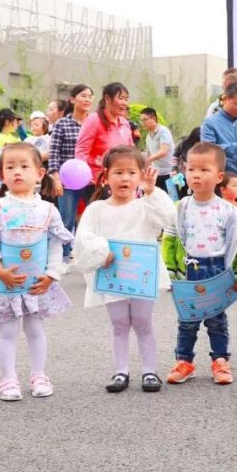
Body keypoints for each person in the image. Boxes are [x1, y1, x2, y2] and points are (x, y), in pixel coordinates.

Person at [0, 142, 73, 401]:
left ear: (39, 173)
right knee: (8, 331)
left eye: (24, 166)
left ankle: (39, 374)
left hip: (36, 283)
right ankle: (8, 378)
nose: (17, 172)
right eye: (10, 167)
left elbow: (56, 244)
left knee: (36, 330)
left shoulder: (48, 209)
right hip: (6, 283)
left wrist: (52, 275)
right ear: (1, 174)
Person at [74, 146, 175, 393]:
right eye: (118, 172)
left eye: (131, 172)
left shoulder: (145, 205)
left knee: (143, 321)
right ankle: (121, 371)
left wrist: (152, 192)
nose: (125, 178)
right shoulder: (96, 209)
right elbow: (84, 238)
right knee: (119, 323)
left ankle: (150, 371)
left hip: (142, 276)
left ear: (141, 175)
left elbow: (167, 218)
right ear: (106, 175)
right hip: (112, 276)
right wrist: (101, 252)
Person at [163, 142, 237, 386]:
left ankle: (220, 361)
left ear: (219, 176)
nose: (196, 174)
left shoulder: (227, 210)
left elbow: (236, 245)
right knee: (187, 321)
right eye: (191, 169)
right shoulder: (179, 208)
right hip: (188, 270)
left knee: (216, 321)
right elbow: (169, 240)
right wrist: (170, 272)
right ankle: (184, 361)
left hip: (217, 270)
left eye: (204, 169)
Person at [47, 85, 95, 258]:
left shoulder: (94, 122)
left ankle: (90, 255)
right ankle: (64, 256)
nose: (88, 99)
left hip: (91, 181)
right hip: (67, 181)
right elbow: (54, 153)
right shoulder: (62, 124)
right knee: (66, 219)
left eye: (90, 96)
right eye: (83, 95)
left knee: (93, 220)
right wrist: (56, 179)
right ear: (73, 99)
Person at [201, 79, 237, 213]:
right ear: (226, 99)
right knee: (221, 216)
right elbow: (208, 149)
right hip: (221, 181)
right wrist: (236, 148)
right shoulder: (210, 123)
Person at [74, 83, 133, 190]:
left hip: (121, 181)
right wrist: (87, 178)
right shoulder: (94, 120)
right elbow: (81, 151)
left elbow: (131, 152)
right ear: (107, 98)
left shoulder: (125, 123)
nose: (124, 103)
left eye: (126, 99)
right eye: (120, 98)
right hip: (97, 183)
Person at [139, 107, 175, 191]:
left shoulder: (163, 131)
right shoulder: (148, 136)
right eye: (141, 121)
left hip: (168, 173)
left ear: (154, 118)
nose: (142, 123)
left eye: (144, 120)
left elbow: (163, 151)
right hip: (156, 174)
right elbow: (149, 154)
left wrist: (148, 159)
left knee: (170, 201)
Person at [0, 108, 23, 196]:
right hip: (3, 179)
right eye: (16, 121)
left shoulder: (16, 137)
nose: (18, 124)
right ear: (8, 122)